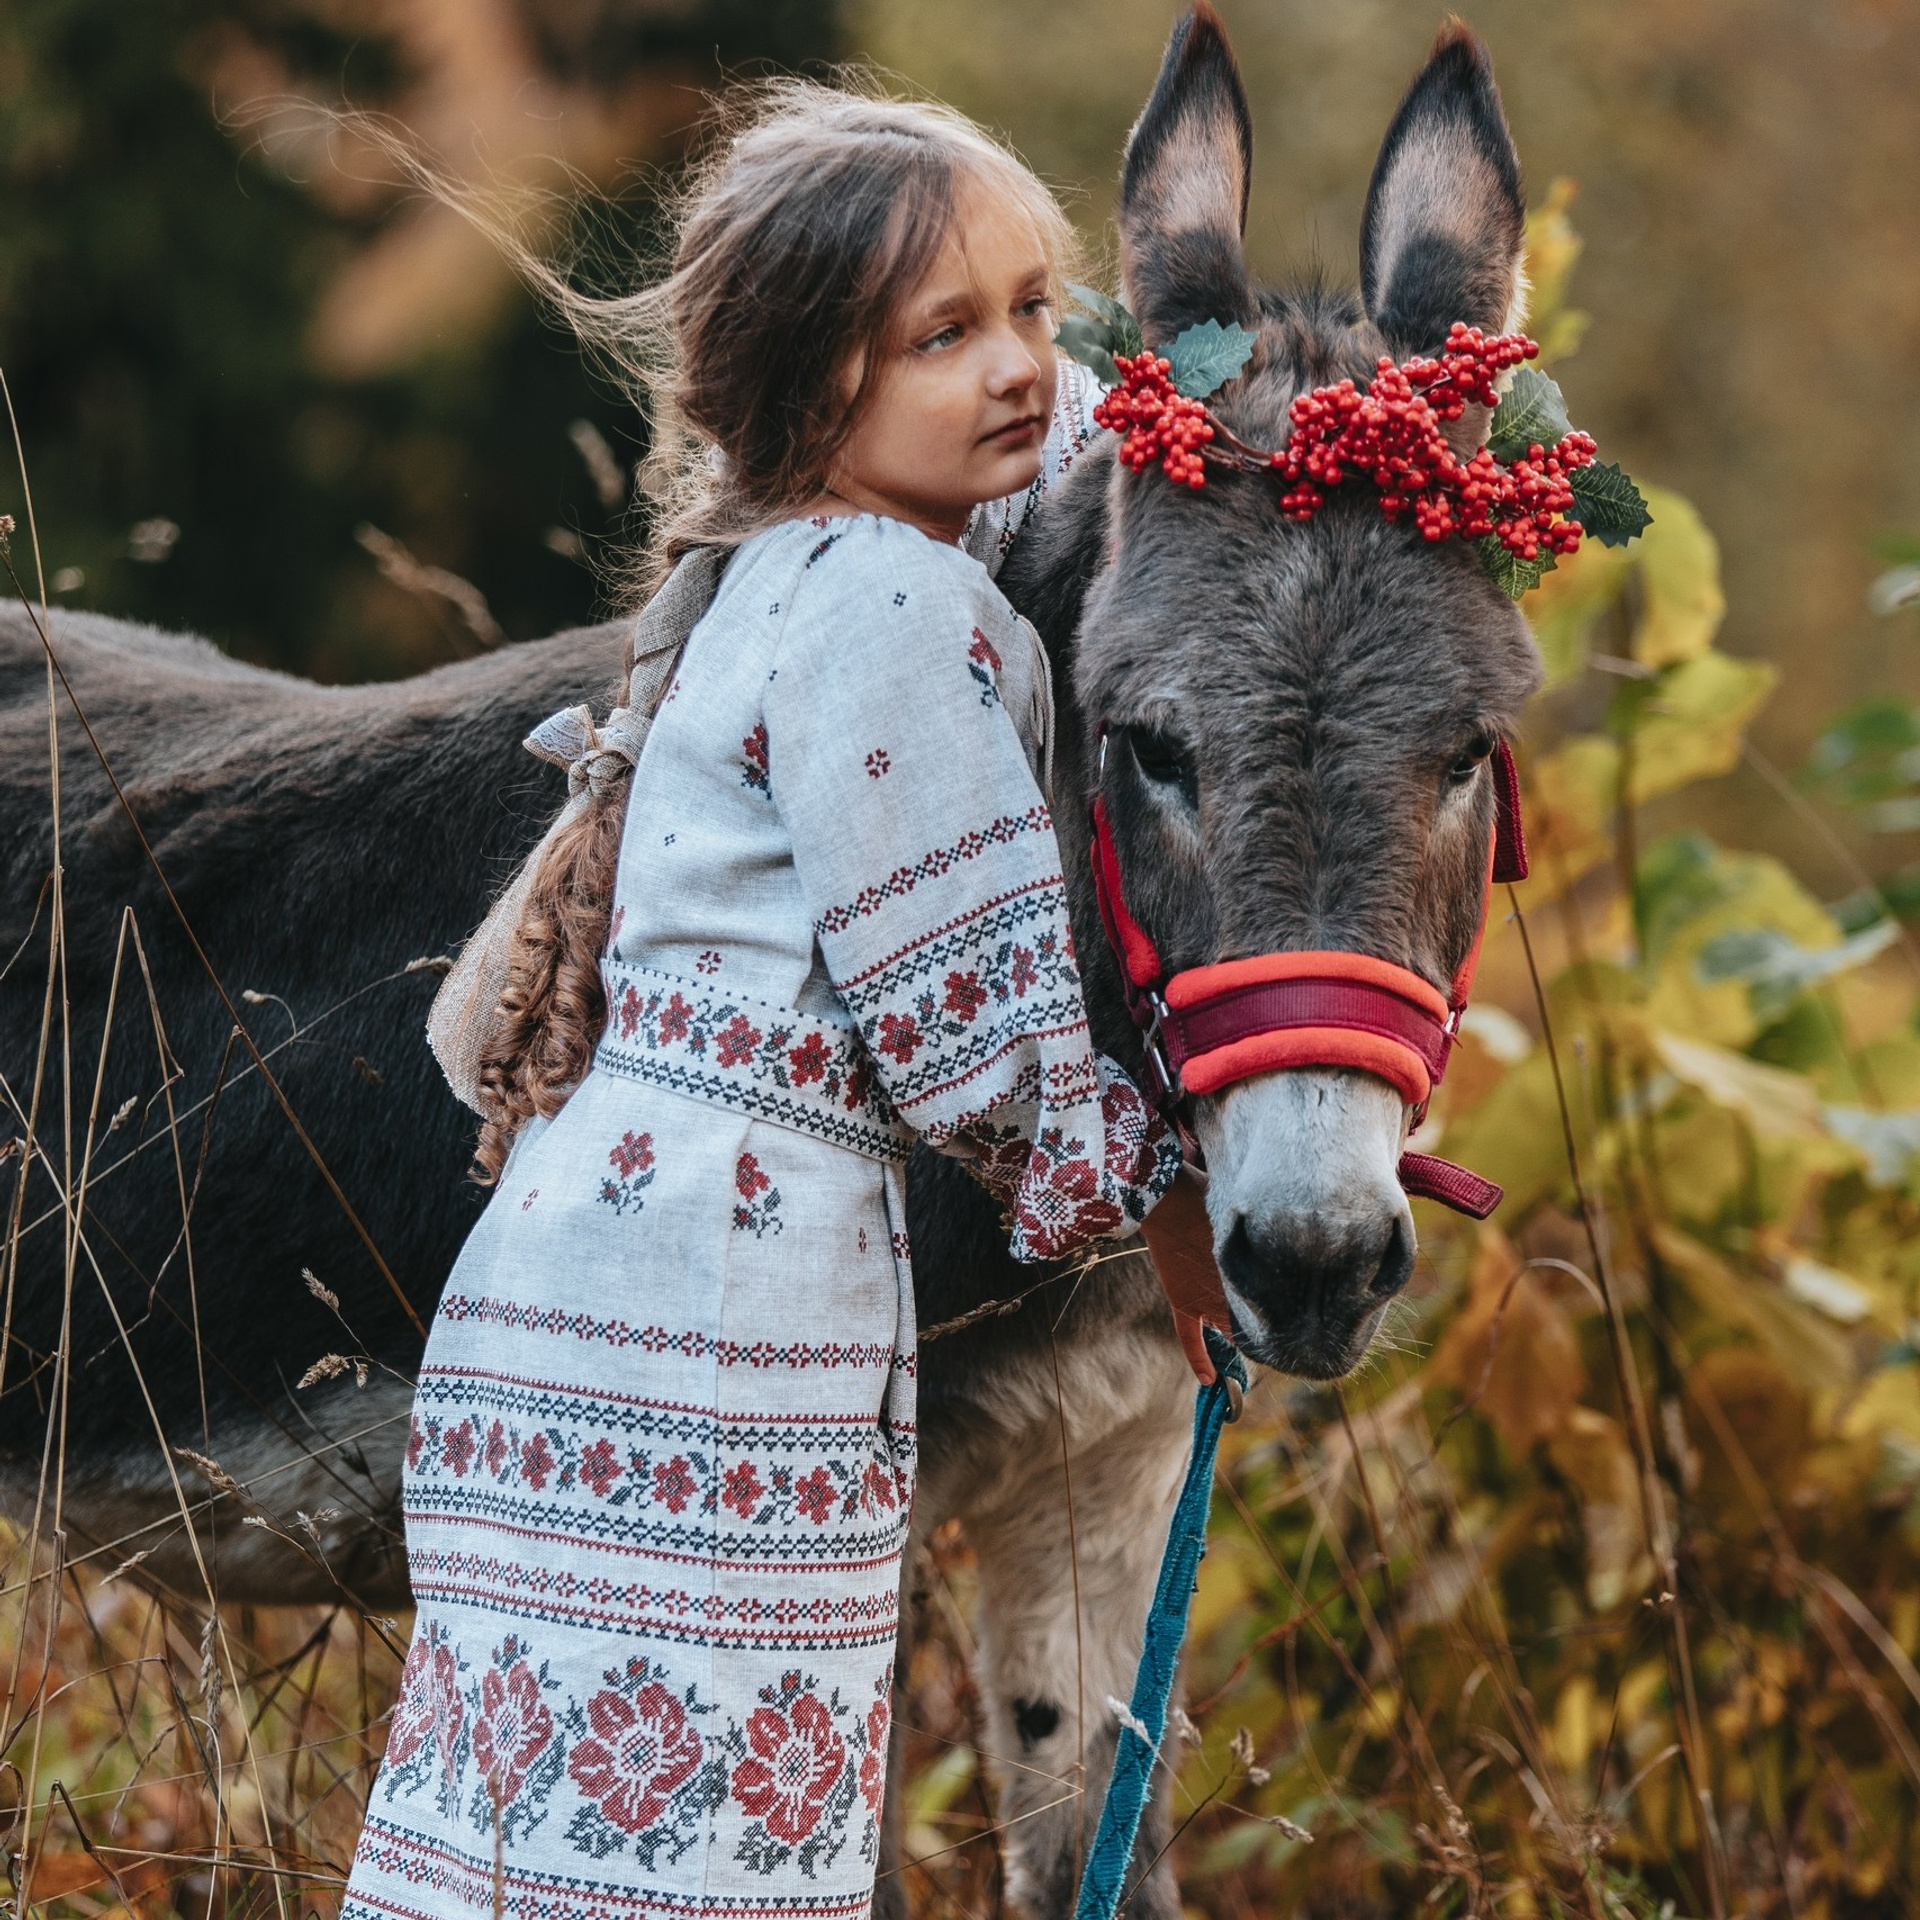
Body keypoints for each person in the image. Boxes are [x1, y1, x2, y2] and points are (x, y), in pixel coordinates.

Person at [342, 81, 1228, 1920]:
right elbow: (981, 1054)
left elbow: (1081, 437)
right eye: (947, 334)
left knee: (546, 1829)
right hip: (721, 1326)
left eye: (1036, 309)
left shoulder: (774, 566)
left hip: (584, 1294)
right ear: (816, 387)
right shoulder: (893, 614)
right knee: (705, 1837)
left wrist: (1217, 411)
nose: (1022, 366)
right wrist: (1171, 1210)